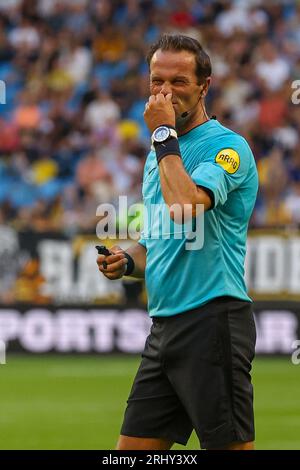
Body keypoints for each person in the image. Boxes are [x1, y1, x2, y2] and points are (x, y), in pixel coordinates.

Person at [96, 34, 258, 450]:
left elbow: (186, 206)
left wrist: (164, 134)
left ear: (205, 86)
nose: (164, 92)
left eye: (179, 82)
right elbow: (157, 241)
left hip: (212, 321)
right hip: (164, 326)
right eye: (156, 81)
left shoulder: (226, 148)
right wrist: (126, 262)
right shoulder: (158, 154)